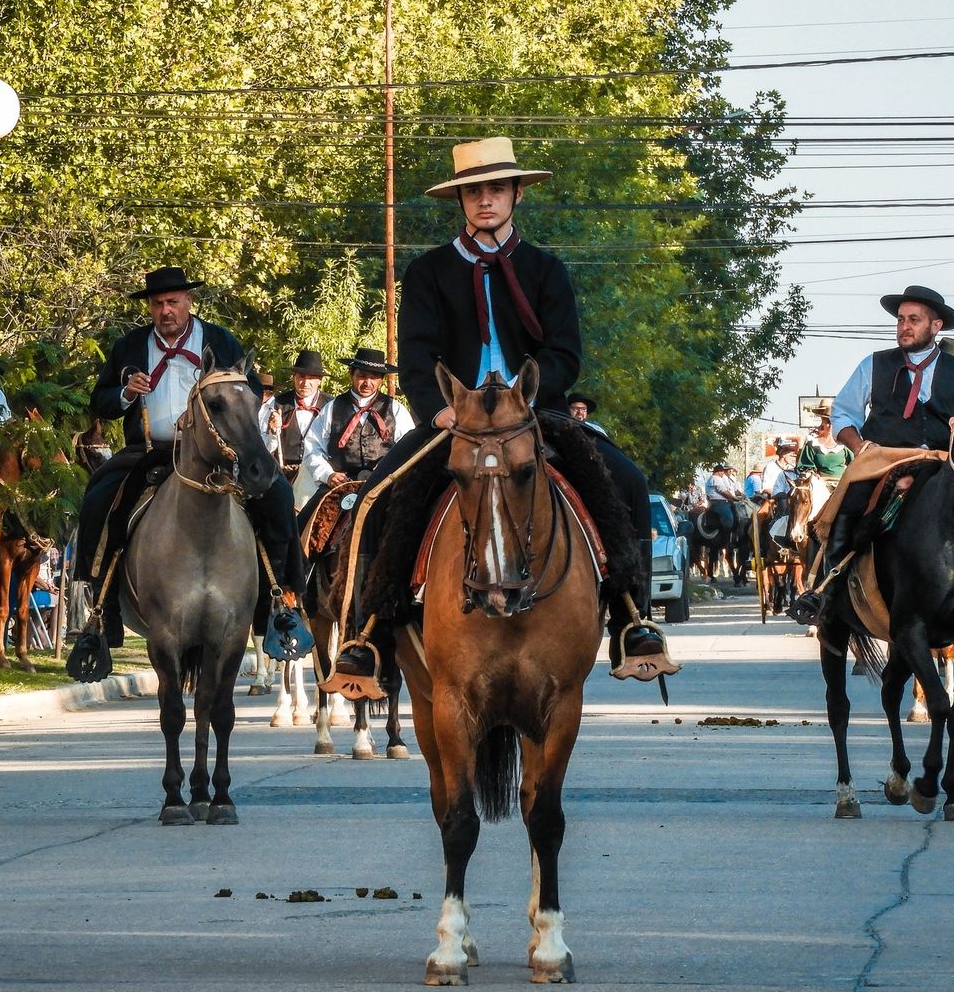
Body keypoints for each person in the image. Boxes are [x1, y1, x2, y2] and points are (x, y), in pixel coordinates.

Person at [330, 137, 676, 685]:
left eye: (495, 189)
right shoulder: (427, 274)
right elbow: (417, 355)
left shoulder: (547, 271)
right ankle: (368, 632)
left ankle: (631, 622)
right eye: (473, 191)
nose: (484, 200)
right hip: (455, 420)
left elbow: (565, 352)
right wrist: (436, 409)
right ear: (461, 200)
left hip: (535, 416)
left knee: (628, 482)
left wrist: (529, 397)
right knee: (376, 496)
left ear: (517, 193)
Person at [800, 285, 954, 644]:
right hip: (884, 458)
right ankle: (828, 588)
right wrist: (861, 445)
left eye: (913, 320)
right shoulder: (873, 364)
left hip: (942, 460)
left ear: (936, 326)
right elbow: (843, 414)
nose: (904, 326)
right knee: (849, 504)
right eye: (901, 320)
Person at [75, 266, 307, 645]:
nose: (165, 310)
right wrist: (126, 394)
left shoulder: (219, 340)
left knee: (277, 494)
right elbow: (100, 401)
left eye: (172, 302)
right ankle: (102, 611)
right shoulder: (130, 347)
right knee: (99, 497)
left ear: (188, 302)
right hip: (150, 452)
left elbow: (246, 395)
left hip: (218, 454)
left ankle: (278, 604)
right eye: (157, 304)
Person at [299, 347, 414, 497]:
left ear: (381, 379)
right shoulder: (332, 408)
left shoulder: (396, 409)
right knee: (306, 519)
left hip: (384, 488)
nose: (368, 382)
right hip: (339, 488)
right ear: (351, 374)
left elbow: (408, 450)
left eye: (374, 377)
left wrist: (390, 475)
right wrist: (328, 475)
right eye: (362, 375)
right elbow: (312, 447)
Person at [261, 350, 328, 484]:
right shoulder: (275, 403)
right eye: (301, 376)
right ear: (294, 377)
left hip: (318, 478)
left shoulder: (330, 406)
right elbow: (262, 446)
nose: (305, 383)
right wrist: (272, 432)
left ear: (319, 380)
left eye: (311, 378)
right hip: (283, 476)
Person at [797, 401, 852, 483]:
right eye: (828, 423)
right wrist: (813, 474)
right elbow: (805, 466)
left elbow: (855, 463)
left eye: (834, 423)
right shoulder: (812, 443)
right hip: (819, 485)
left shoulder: (844, 443)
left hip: (842, 485)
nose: (830, 426)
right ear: (822, 422)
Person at [704, 462, 744, 534]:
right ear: (719, 472)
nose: (723, 473)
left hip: (721, 502)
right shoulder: (716, 478)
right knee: (729, 518)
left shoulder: (717, 478)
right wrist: (734, 498)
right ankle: (726, 538)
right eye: (722, 471)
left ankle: (734, 536)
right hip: (718, 503)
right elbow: (724, 492)